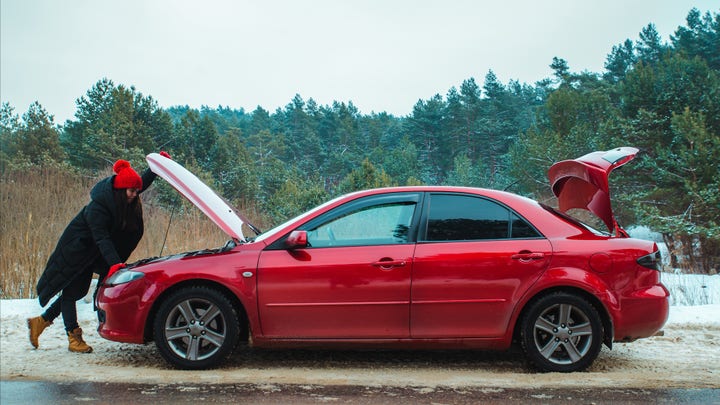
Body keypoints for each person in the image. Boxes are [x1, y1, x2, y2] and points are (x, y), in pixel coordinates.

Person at [27, 152, 170, 353]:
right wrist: (115, 263)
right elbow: (101, 237)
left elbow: (140, 183)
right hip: (77, 250)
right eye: (131, 191)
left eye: (136, 191)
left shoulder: (124, 196)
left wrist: (157, 167)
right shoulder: (98, 207)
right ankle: (73, 337)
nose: (135, 194)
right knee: (72, 292)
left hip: (93, 251)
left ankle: (40, 322)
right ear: (121, 190)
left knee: (77, 291)